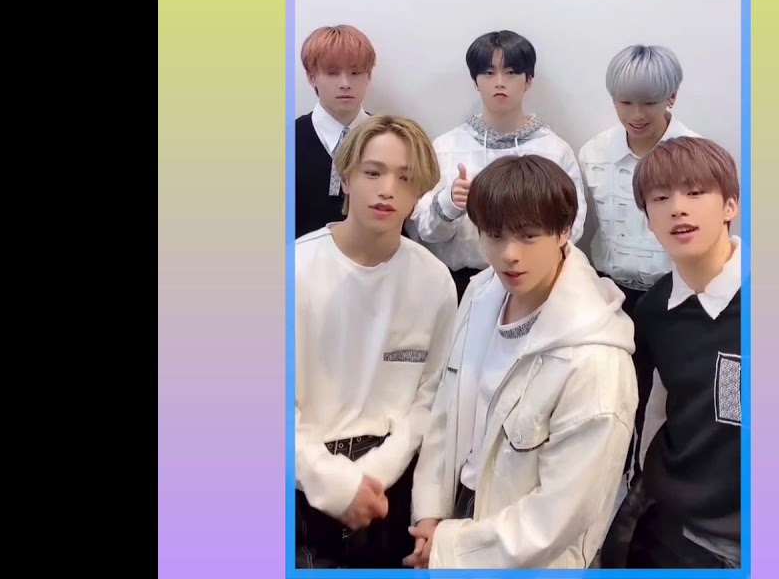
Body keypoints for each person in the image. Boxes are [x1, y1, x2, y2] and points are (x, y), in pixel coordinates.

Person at [404, 155, 638, 569]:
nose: (509, 254)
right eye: (494, 236)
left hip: (529, 553)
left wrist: (449, 549)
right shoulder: (481, 293)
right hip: (456, 512)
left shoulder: (594, 359)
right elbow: (447, 408)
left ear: (564, 231)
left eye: (528, 236)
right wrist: (430, 513)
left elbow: (562, 512)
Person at [294, 115, 458, 568]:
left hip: (391, 484)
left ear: (420, 192)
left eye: (405, 178)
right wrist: (336, 485)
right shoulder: (296, 269)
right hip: (301, 479)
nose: (387, 190)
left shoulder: (434, 281)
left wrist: (373, 476)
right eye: (373, 172)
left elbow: (431, 398)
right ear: (345, 178)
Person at [600, 136, 743, 569]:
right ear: (648, 218)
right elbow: (650, 414)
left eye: (695, 193)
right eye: (661, 199)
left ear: (730, 206)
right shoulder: (654, 311)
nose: (678, 209)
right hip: (673, 524)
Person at [577, 43, 701, 481]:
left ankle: (662, 489)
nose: (636, 114)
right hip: (610, 295)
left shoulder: (697, 157)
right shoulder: (594, 153)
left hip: (676, 294)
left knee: (678, 401)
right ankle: (614, 488)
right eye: (625, 102)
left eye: (649, 102)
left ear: (672, 97)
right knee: (613, 398)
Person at [409, 30, 587, 301]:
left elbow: (572, 227)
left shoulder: (554, 150)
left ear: (528, 80)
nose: (500, 83)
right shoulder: (446, 147)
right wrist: (450, 202)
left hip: (536, 286)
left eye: (511, 72)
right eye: (489, 73)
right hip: (461, 286)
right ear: (475, 81)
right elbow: (424, 231)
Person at [296, 24, 377, 238]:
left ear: (368, 75)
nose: (345, 84)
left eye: (355, 73)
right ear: (311, 77)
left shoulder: (392, 139)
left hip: (378, 256)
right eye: (332, 73)